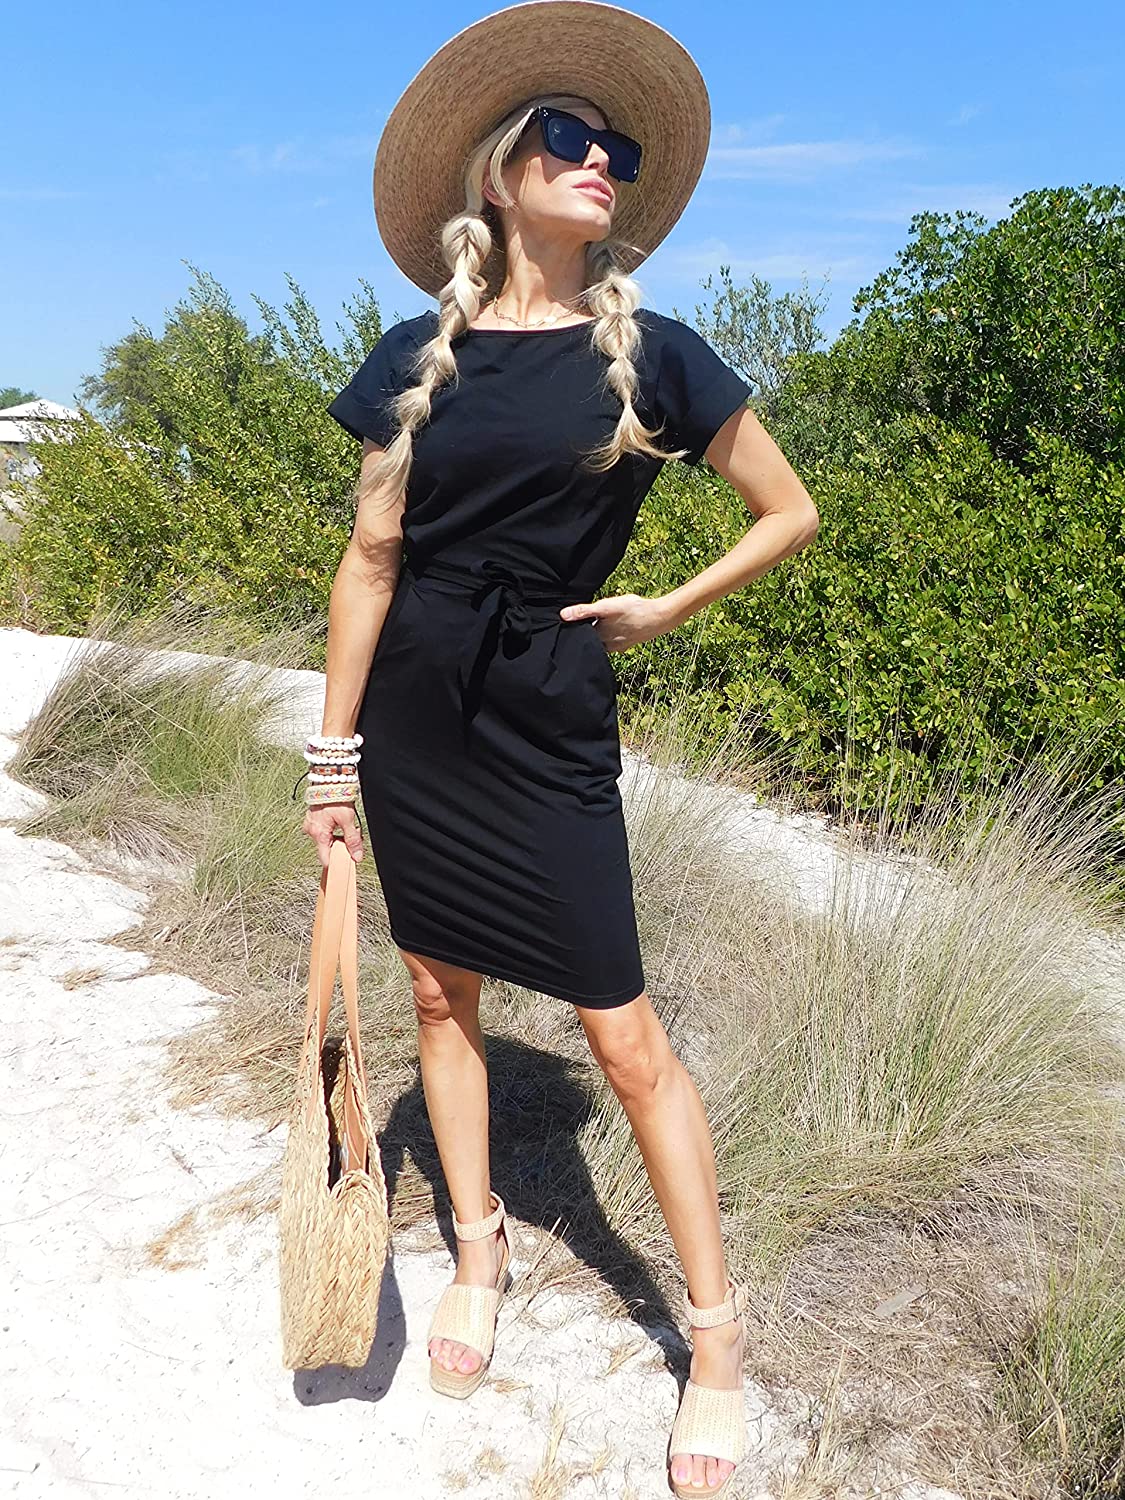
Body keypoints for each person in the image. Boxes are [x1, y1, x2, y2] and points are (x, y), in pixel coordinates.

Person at [304, 5, 819, 1495]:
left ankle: (713, 1339)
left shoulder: (655, 356)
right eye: (572, 138)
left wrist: (666, 606)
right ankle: (479, 1254)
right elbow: (370, 562)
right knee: (434, 987)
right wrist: (331, 760)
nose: (604, 162)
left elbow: (787, 511)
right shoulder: (418, 356)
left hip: (549, 712)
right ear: (498, 172)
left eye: (620, 152)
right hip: (416, 711)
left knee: (622, 1033)